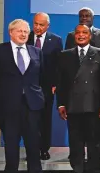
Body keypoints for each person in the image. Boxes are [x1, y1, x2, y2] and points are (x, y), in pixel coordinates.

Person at [0, 19, 45, 173]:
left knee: (33, 144)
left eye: (26, 31)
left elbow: (42, 76)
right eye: (19, 31)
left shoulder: (36, 52)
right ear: (10, 32)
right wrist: (6, 89)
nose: (23, 34)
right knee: (11, 144)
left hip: (32, 105)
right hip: (8, 105)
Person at [56, 24, 100, 173]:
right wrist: (61, 104)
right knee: (75, 141)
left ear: (90, 35)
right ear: (73, 36)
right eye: (77, 33)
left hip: (93, 104)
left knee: (94, 141)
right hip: (73, 105)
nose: (80, 35)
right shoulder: (65, 55)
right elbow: (61, 82)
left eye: (84, 32)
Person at [64, 7, 100, 159]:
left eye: (87, 16)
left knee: (95, 134)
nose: (84, 18)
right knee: (75, 135)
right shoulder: (71, 36)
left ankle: (95, 166)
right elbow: (65, 68)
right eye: (81, 16)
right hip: (74, 95)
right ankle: (77, 166)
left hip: (94, 93)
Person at [27, 12, 63, 161]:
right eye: (35, 24)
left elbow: (58, 64)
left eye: (41, 25)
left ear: (47, 26)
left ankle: (43, 149)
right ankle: (32, 150)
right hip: (28, 85)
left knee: (45, 119)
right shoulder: (25, 37)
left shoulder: (55, 40)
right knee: (29, 120)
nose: (37, 27)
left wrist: (56, 84)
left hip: (47, 87)